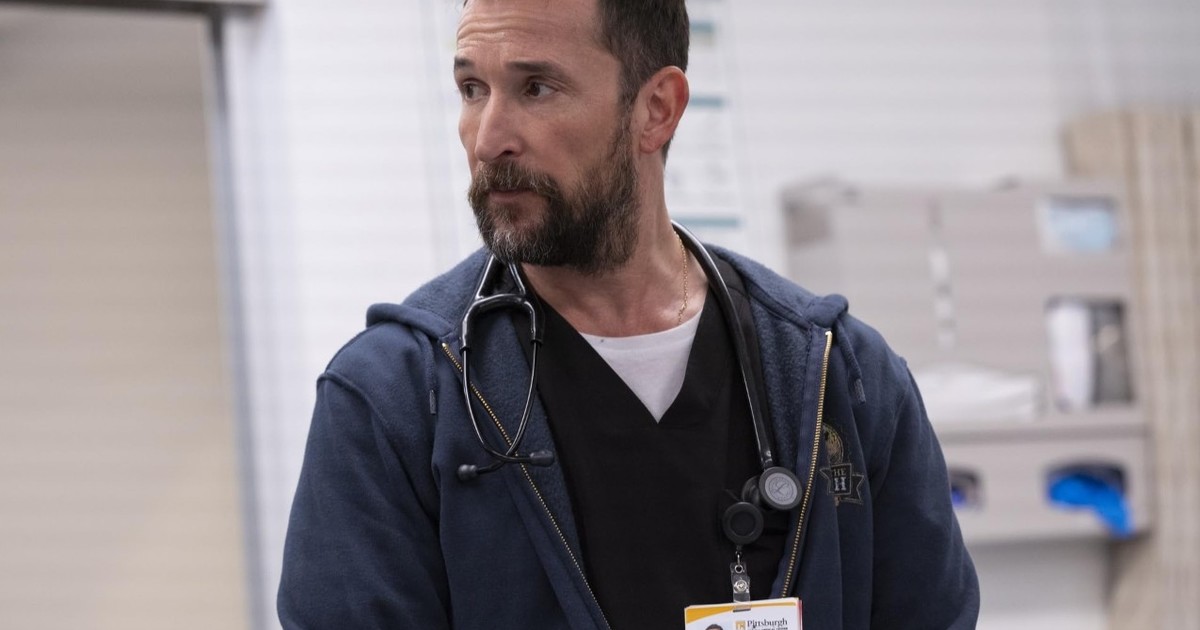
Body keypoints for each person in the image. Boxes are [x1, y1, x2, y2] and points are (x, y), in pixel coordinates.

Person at [277, 0, 980, 628]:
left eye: (536, 87)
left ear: (657, 110)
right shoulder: (396, 398)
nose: (488, 138)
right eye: (472, 89)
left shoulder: (841, 380)